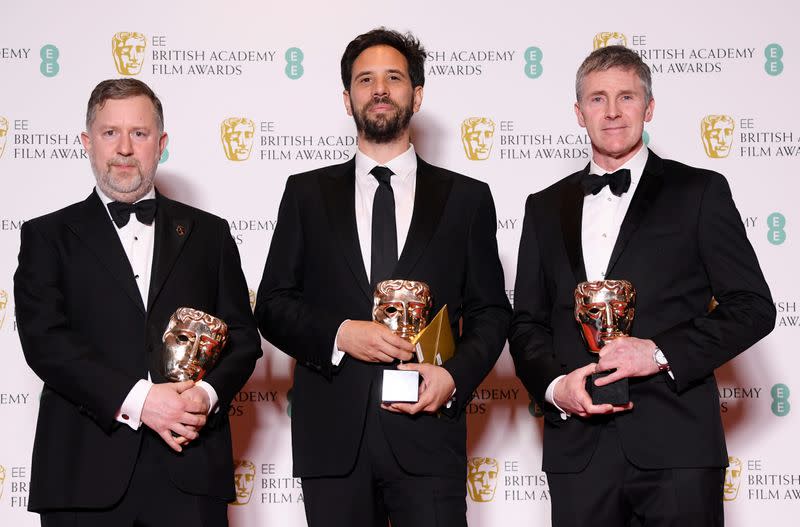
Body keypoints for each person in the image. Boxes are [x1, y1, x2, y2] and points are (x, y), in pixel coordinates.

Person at [509, 45, 775, 526]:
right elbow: (526, 321)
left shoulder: (699, 191)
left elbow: (752, 307)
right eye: (597, 99)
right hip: (578, 452)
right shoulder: (542, 207)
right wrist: (554, 387)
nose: (612, 112)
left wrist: (656, 353)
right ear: (578, 112)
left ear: (648, 108)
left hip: (677, 445)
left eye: (626, 97)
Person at [255, 28, 510, 527]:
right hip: (332, 441)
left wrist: (454, 377)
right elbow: (272, 305)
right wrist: (341, 334)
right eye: (364, 79)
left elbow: (491, 312)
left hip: (429, 437)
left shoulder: (467, 198)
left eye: (393, 78)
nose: (378, 89)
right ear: (346, 98)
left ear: (416, 94)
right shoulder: (305, 195)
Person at [14, 78, 262, 526]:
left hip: (190, 472)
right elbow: (44, 341)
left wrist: (204, 397)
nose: (125, 148)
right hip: (82, 478)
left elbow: (243, 339)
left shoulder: (210, 234)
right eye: (111, 133)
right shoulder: (46, 236)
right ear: (88, 143)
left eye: (140, 134)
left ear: (161, 144)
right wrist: (142, 399)